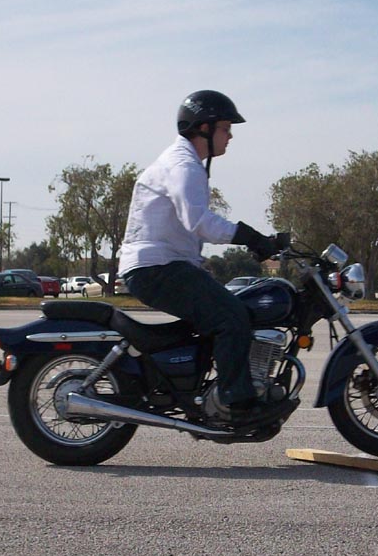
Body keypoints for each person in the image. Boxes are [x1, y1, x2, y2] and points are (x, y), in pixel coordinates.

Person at [120, 90, 282, 424]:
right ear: (203, 128)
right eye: (225, 128)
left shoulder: (185, 163)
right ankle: (236, 404)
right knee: (231, 317)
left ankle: (206, 390)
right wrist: (250, 237)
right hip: (156, 268)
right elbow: (198, 221)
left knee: (226, 309)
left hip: (162, 265)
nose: (230, 136)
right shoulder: (183, 166)